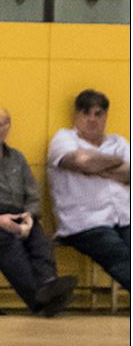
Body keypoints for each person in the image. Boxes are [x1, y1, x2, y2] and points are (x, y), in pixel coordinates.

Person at [0, 107, 76, 316]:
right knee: (8, 243)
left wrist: (29, 216)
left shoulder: (17, 158)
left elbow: (32, 191)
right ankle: (39, 299)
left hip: (18, 215)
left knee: (39, 239)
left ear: (7, 126)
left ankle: (49, 284)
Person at [46, 90, 131, 291]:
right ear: (77, 116)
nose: (92, 119)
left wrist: (97, 167)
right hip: (85, 223)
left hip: (124, 218)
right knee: (118, 254)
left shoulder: (119, 142)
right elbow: (82, 162)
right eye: (86, 114)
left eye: (98, 114)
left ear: (105, 116)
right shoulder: (64, 139)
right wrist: (116, 162)